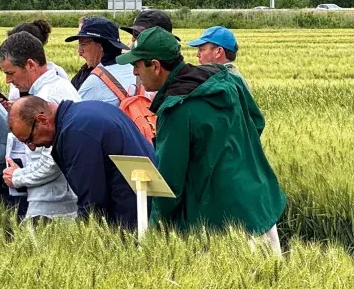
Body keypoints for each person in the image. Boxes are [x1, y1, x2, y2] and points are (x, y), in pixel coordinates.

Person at [115, 27, 285, 253]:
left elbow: (170, 183)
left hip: (225, 221)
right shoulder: (224, 79)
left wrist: (154, 231)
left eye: (137, 65)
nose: (135, 72)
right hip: (259, 201)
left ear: (155, 66)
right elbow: (256, 122)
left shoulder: (177, 110)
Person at [8, 95, 155, 229]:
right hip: (143, 203)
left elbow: (92, 204)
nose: (32, 147)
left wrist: (81, 239)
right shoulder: (86, 110)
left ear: (42, 120)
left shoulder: (75, 134)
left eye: (29, 140)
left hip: (129, 216)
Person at [0, 31, 81, 220]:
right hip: (54, 198)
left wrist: (17, 177)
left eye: (10, 73)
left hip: (54, 203)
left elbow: (52, 161)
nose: (8, 81)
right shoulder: (58, 86)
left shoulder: (47, 98)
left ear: (30, 65)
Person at [65, 17, 133, 107]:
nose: (80, 52)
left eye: (83, 44)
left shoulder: (95, 81)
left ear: (100, 47)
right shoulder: (134, 70)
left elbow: (73, 113)